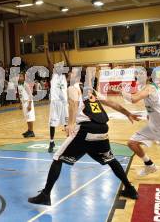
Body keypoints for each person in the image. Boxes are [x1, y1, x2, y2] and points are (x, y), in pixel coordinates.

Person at [28, 71, 140, 206]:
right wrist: (128, 113)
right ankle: (130, 189)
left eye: (69, 74)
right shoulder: (91, 91)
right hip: (102, 130)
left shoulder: (72, 88)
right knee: (110, 159)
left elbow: (73, 104)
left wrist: (70, 124)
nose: (67, 76)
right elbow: (112, 104)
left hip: (86, 130)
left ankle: (45, 195)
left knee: (57, 158)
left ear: (72, 78)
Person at [44, 44, 70, 152]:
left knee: (66, 123)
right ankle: (51, 142)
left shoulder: (65, 76)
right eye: (57, 66)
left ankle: (69, 142)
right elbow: (49, 62)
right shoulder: (53, 75)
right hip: (55, 103)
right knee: (52, 123)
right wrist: (46, 51)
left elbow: (70, 64)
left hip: (64, 103)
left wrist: (64, 52)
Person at [18, 72, 35, 138]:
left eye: (21, 76)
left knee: (30, 117)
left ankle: (31, 131)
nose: (19, 77)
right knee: (27, 117)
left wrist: (30, 105)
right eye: (19, 76)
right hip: (23, 102)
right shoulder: (19, 85)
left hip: (28, 102)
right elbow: (21, 95)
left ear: (24, 77)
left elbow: (30, 95)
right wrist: (20, 103)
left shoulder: (26, 84)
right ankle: (29, 130)